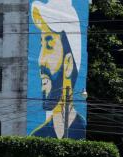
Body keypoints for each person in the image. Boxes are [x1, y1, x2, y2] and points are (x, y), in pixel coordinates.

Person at [29, 0, 86, 139]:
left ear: (68, 64)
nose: (40, 60)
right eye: (41, 45)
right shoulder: (37, 137)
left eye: (48, 46)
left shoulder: (81, 132)